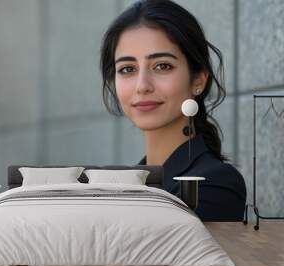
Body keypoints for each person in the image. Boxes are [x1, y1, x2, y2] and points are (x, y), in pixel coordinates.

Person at [100, 0, 246, 221]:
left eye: (162, 66)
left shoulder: (214, 184)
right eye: (127, 69)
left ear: (198, 79)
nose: (142, 85)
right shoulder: (122, 186)